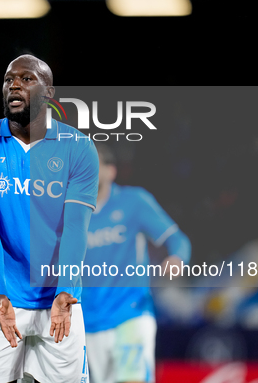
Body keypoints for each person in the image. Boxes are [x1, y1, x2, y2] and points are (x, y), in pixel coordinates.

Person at [0, 54, 99, 383]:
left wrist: (65, 291)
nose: (14, 85)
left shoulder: (78, 148)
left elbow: (75, 228)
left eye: (26, 78)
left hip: (59, 301)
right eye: (8, 80)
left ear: (49, 92)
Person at [81, 144, 191, 383]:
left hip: (129, 313)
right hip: (88, 323)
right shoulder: (71, 212)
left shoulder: (134, 202)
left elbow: (178, 240)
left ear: (111, 171)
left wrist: (177, 258)